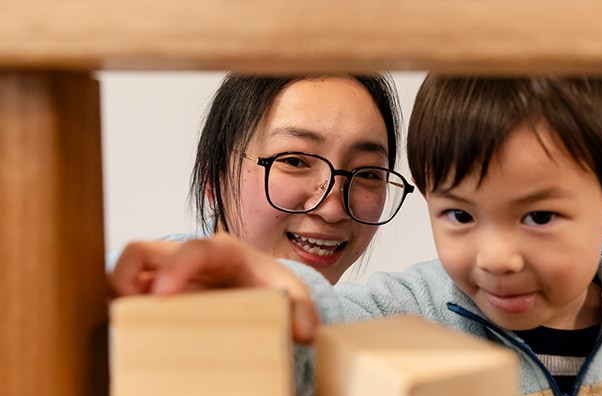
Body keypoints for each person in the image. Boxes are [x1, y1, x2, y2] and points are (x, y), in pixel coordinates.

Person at [111, 75, 602, 396]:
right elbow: (324, 321)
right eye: (459, 215)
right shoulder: (413, 310)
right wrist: (245, 279)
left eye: (539, 216)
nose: (495, 258)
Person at [108, 73, 413, 285]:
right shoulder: (119, 299)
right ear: (212, 176)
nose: (332, 209)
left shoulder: (360, 320)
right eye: (294, 161)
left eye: (368, 173)